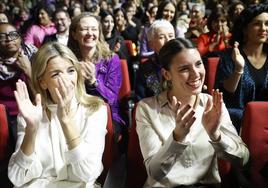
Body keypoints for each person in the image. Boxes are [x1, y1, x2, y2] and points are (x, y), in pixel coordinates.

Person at [136, 38, 249, 187]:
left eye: (198, 64)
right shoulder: (146, 108)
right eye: (184, 69)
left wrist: (216, 136)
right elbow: (155, 173)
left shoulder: (211, 103)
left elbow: (244, 159)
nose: (196, 74)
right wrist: (177, 137)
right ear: (167, 74)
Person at [8, 42, 107, 188]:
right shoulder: (31, 114)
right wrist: (31, 129)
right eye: (56, 74)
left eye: (71, 71)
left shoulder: (95, 109)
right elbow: (17, 178)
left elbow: (88, 173)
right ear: (42, 83)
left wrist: (66, 122)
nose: (66, 80)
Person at [68, 13, 125, 146]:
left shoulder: (111, 59)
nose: (90, 33)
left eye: (94, 29)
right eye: (84, 29)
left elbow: (112, 98)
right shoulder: (68, 59)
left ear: (99, 33)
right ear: (74, 34)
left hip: (106, 113)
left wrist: (93, 81)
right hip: (74, 113)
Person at [215, 4, 268, 132]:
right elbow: (224, 94)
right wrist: (239, 69)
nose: (263, 28)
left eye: (267, 24)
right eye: (257, 24)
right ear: (245, 29)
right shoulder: (230, 56)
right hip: (236, 125)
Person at [135, 19, 175, 100]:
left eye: (171, 36)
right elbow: (140, 100)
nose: (168, 40)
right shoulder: (145, 69)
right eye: (161, 37)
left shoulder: (184, 63)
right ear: (151, 44)